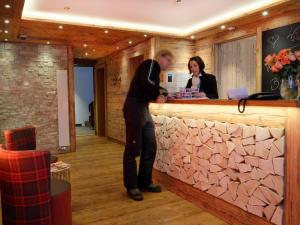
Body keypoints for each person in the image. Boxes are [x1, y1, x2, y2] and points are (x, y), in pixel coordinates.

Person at [123, 50, 173, 201]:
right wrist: (160, 92)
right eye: (168, 60)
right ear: (160, 57)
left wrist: (161, 92)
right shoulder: (151, 64)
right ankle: (131, 186)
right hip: (134, 107)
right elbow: (147, 84)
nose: (169, 64)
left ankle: (145, 182)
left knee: (150, 146)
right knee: (132, 150)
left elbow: (149, 87)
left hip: (143, 108)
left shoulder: (155, 72)